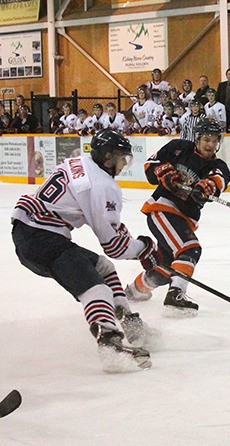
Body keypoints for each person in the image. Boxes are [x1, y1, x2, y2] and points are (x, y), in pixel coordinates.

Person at [10, 129, 160, 372]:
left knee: (104, 268)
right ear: (109, 157)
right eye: (123, 158)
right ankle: (110, 345)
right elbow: (114, 245)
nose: (124, 164)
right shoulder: (102, 184)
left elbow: (109, 233)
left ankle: (129, 323)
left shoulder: (80, 161)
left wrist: (132, 242)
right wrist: (144, 248)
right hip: (42, 238)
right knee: (96, 287)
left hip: (30, 231)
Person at [124, 119, 230, 317]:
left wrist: (206, 187)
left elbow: (219, 179)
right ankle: (176, 294)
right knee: (190, 248)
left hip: (184, 219)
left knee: (164, 270)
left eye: (215, 140)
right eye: (207, 139)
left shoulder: (217, 165)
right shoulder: (178, 148)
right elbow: (151, 165)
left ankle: (133, 291)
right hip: (162, 209)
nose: (210, 144)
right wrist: (163, 172)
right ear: (198, 138)